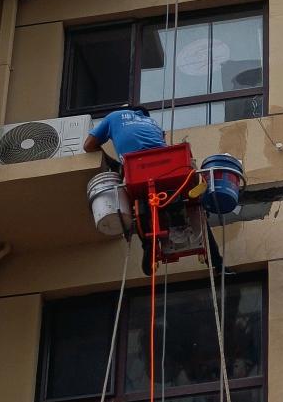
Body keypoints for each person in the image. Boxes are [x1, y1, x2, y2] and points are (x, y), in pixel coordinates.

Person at [84, 106, 227, 277]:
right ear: (144, 115)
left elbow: (88, 146)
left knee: (139, 204)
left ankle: (148, 244)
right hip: (170, 169)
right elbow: (162, 147)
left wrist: (114, 164)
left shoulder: (113, 116)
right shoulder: (153, 124)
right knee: (195, 207)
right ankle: (218, 264)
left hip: (136, 169)